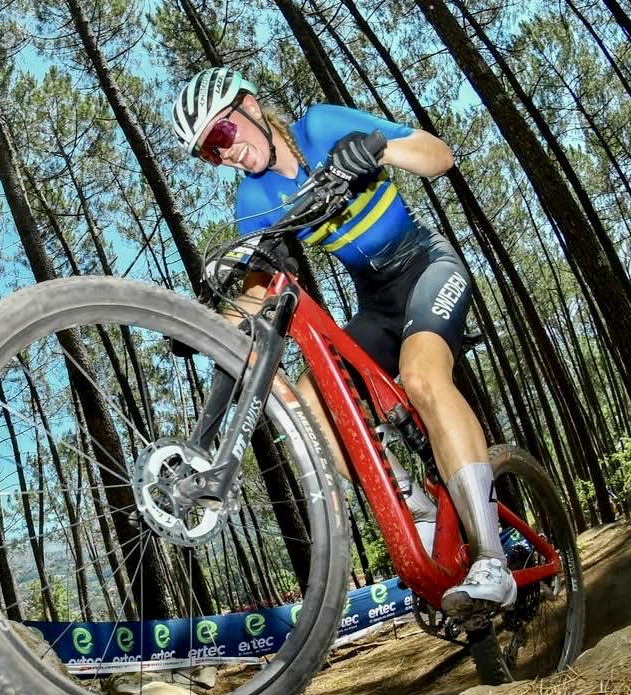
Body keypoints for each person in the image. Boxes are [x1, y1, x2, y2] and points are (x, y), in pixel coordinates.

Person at [172, 67, 516, 615]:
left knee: (422, 376)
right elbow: (260, 290)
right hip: (377, 302)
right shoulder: (254, 199)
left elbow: (439, 155)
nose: (224, 154)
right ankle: (418, 510)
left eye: (221, 135)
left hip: (426, 265)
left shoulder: (320, 126)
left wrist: (379, 149)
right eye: (210, 153)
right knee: (313, 401)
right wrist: (207, 326)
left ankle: (494, 563)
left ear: (250, 107)